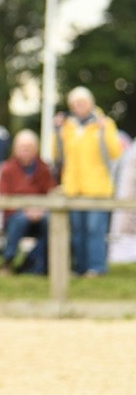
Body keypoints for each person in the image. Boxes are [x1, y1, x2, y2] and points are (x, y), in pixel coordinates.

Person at [55, 87, 123, 276]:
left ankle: (97, 267)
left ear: (91, 103)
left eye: (83, 102)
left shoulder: (105, 123)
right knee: (77, 231)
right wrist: (57, 130)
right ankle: (80, 267)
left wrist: (104, 130)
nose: (80, 106)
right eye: (76, 103)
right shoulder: (68, 127)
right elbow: (58, 155)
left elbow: (115, 152)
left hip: (98, 188)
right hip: (74, 187)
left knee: (95, 230)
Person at [0, 130, 55, 275]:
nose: (26, 150)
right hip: (16, 214)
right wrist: (25, 210)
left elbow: (51, 193)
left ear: (36, 149)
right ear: (15, 149)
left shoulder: (44, 169)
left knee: (52, 222)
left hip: (41, 213)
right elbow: (4, 197)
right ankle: (8, 262)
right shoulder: (7, 169)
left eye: (29, 147)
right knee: (20, 221)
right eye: (23, 147)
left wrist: (40, 210)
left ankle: (36, 263)